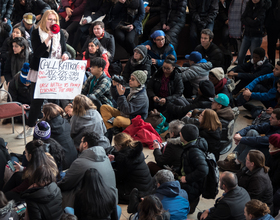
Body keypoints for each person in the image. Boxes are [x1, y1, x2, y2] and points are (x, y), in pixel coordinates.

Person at [24, 10, 70, 138]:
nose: (52, 22)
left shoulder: (60, 32)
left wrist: (66, 55)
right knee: (36, 100)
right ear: (44, 20)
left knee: (53, 100)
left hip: (54, 71)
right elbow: (37, 53)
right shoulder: (36, 32)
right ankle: (31, 126)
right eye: (50, 19)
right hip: (39, 70)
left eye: (55, 20)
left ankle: (54, 125)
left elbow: (65, 50)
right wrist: (48, 38)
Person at [58, 132, 116, 207]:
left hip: (94, 206)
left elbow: (66, 184)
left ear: (85, 144)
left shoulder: (80, 162)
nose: (80, 144)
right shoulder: (106, 158)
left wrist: (54, 185)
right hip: (110, 200)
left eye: (81, 141)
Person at [108, 133, 153, 204]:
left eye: (115, 146)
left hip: (136, 193)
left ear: (120, 146)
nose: (114, 148)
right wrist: (116, 159)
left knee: (107, 190)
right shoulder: (136, 152)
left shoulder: (125, 159)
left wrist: (110, 164)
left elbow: (117, 177)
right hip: (147, 188)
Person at [179, 124, 209, 213]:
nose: (179, 134)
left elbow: (204, 170)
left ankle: (190, 206)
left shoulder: (194, 151)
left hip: (192, 184)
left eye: (181, 133)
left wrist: (187, 178)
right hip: (192, 183)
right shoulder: (191, 145)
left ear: (185, 137)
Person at [41, 103, 77, 169]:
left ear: (45, 114)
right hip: (74, 157)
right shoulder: (65, 121)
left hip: (62, 162)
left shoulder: (46, 128)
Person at [237, 0, 271, 64]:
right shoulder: (249, 5)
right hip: (247, 34)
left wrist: (248, 19)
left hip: (256, 35)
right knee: (241, 56)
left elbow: (258, 21)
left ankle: (253, 71)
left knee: (254, 57)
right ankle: (240, 69)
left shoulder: (263, 6)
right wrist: (252, 20)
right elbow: (242, 18)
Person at [5, 63, 32, 127]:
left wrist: (34, 105)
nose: (27, 84)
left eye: (29, 83)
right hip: (20, 105)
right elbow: (10, 100)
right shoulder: (13, 83)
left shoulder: (35, 81)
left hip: (32, 105)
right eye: (25, 83)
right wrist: (20, 105)